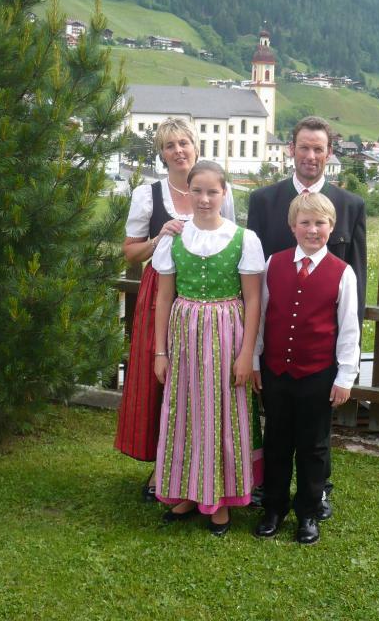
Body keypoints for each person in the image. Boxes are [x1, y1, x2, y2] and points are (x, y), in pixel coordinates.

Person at [247, 115, 366, 518]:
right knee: (279, 432)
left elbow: (354, 287)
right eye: (304, 147)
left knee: (316, 437)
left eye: (319, 148)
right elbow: (254, 283)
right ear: (291, 150)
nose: (311, 155)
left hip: (319, 352)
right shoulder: (264, 202)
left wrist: (344, 366)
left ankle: (317, 496)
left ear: (329, 153)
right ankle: (272, 499)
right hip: (278, 351)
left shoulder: (351, 206)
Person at [114, 119, 234, 502]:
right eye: (169, 145)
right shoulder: (147, 194)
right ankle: (161, 467)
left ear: (195, 147)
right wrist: (158, 236)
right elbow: (130, 251)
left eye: (184, 143)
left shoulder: (215, 188)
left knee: (203, 377)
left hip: (208, 293)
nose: (178, 151)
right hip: (161, 294)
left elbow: (229, 240)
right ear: (161, 153)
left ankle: (204, 464)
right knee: (160, 378)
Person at [152, 161, 265, 536]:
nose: (204, 199)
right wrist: (160, 351)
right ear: (188, 192)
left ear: (224, 193)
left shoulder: (243, 239)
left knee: (222, 410)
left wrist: (248, 353)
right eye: (196, 191)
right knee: (185, 407)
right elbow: (163, 298)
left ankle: (221, 497)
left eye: (212, 191)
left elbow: (252, 300)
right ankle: (187, 490)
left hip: (227, 332)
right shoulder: (173, 238)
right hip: (184, 334)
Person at [254, 193, 360, 544]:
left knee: (314, 447)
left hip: (317, 374)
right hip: (276, 372)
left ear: (331, 227)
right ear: (292, 226)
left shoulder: (342, 274)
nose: (312, 230)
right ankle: (274, 507)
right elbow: (260, 319)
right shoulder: (274, 263)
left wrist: (345, 376)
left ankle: (308, 512)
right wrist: (256, 361)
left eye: (320, 223)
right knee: (277, 442)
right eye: (305, 223)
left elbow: (348, 329)